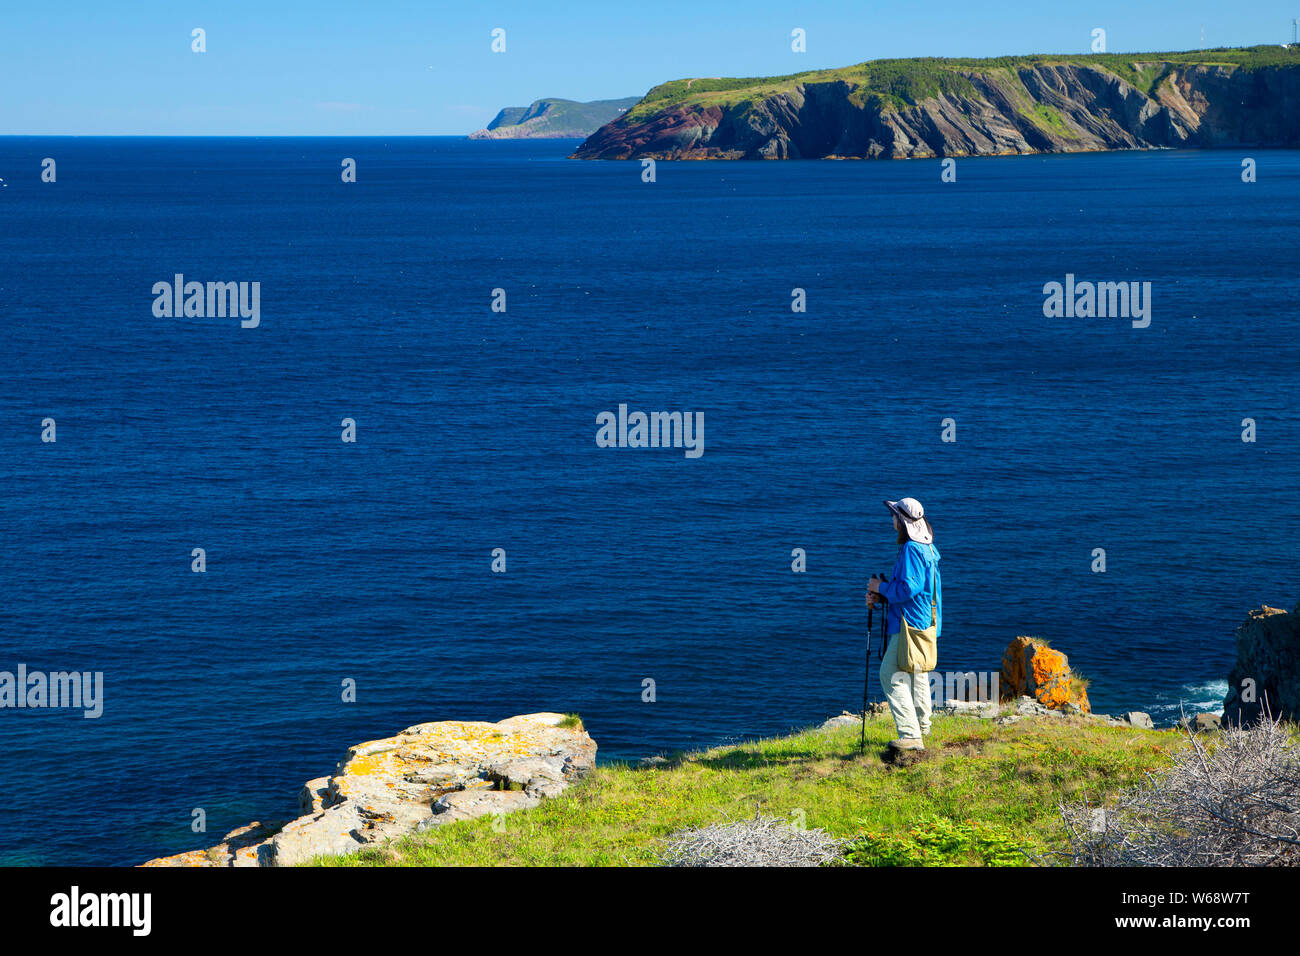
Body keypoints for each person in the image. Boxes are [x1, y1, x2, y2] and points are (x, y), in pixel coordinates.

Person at [866, 498, 942, 751]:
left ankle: (910, 737)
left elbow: (909, 588)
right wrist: (884, 595)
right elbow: (919, 589)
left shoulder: (911, 549)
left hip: (908, 624)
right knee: (917, 674)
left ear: (903, 521)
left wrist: (880, 587)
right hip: (925, 620)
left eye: (894, 517)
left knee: (891, 675)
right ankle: (922, 728)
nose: (892, 521)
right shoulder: (927, 547)